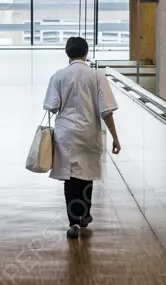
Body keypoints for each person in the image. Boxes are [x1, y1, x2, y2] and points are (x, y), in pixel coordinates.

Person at [43, 37, 122, 239]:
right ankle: (84, 214)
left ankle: (73, 223)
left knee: (70, 179)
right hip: (89, 132)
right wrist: (115, 137)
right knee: (86, 176)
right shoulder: (97, 76)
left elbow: (52, 106)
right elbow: (106, 111)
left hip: (66, 133)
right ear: (86, 53)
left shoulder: (58, 76)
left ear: (67, 53)